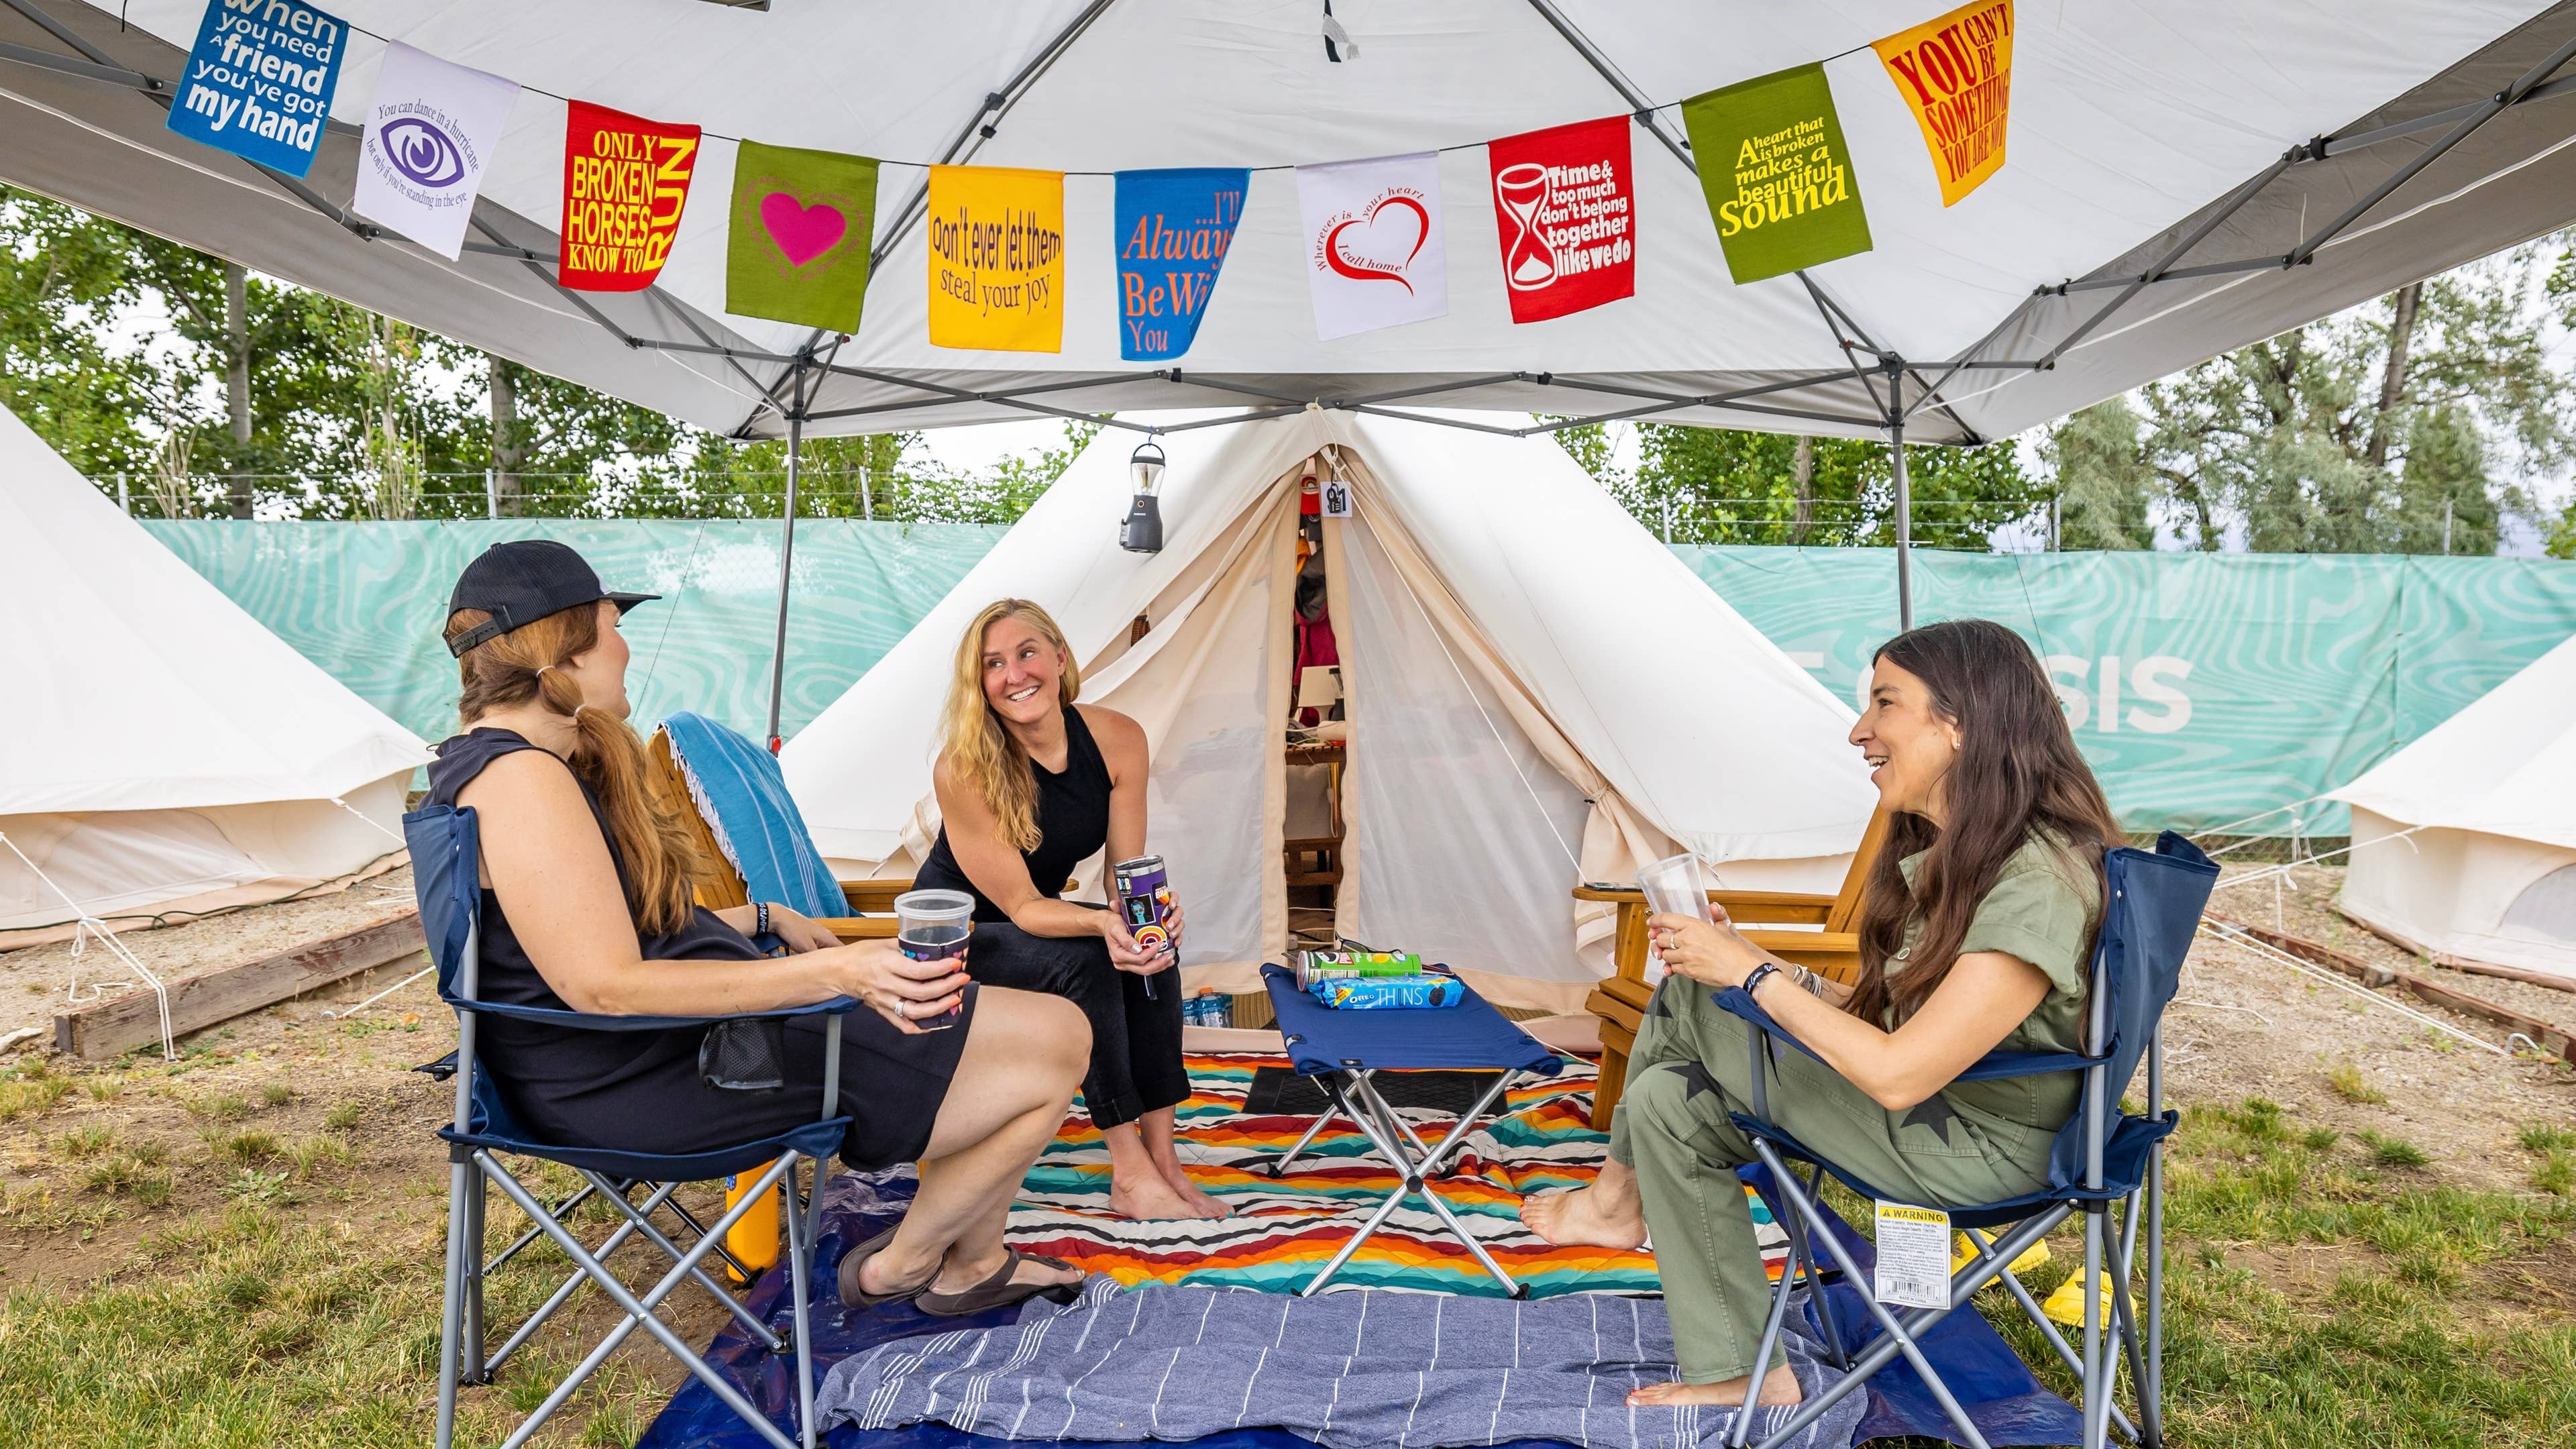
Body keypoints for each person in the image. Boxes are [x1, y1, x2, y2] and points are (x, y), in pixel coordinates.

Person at [428, 541, 1089, 1318]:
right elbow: (603, 985)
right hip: (656, 1075)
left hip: (662, 1048)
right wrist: (839, 973)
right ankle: (902, 1267)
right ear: (561, 647)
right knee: (1054, 1040)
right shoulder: (524, 779)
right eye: (612, 626)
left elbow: (595, 934)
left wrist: (762, 918)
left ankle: (974, 1258)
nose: (626, 647)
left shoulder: (501, 765)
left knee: (1031, 1036)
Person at [1522, 619, 2123, 1409]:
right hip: (1944, 1111)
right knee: (1671, 1101)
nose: (1858, 730)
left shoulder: (2036, 881)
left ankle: (1610, 1203)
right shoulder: (1971, 857)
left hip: (1979, 1146)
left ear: (1961, 723)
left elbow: (1900, 1071)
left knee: (1694, 992)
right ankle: (1744, 1372)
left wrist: (1745, 975)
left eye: (1884, 703)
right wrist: (1768, 970)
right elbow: (1891, 1021)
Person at [910, 598, 1226, 1221]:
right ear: (980, 684)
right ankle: (1129, 1172)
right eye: (993, 664)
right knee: (1087, 959)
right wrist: (1100, 926)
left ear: (1059, 657)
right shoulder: (965, 767)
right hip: (958, 940)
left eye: (1027, 652)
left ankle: (1165, 1161)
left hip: (1036, 922)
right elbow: (1025, 907)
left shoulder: (1117, 739)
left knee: (1150, 949)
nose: (1014, 674)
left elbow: (1125, 876)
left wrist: (1144, 920)